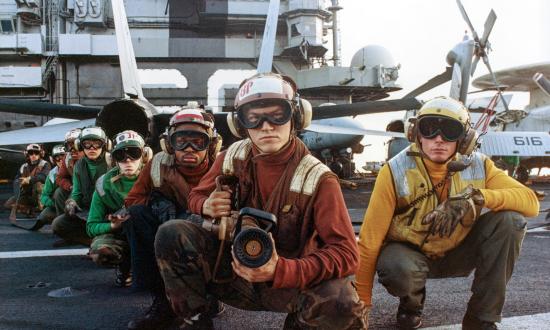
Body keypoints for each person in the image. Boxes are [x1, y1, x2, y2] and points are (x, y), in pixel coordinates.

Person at [154, 73, 368, 329]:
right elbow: (195, 196)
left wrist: (281, 270)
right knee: (172, 233)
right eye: (253, 118)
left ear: (297, 117)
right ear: (239, 124)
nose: (266, 126)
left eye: (278, 115)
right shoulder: (231, 157)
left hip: (289, 282)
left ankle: (302, 322)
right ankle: (196, 318)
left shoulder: (318, 178)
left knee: (342, 302)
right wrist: (205, 205)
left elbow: (347, 254)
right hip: (232, 273)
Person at [355, 96, 540, 330]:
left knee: (511, 221)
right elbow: (370, 241)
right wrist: (361, 308)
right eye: (429, 129)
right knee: (396, 267)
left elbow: (531, 202)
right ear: (416, 134)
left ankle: (481, 319)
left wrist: (478, 196)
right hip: (410, 255)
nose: (439, 139)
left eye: (450, 130)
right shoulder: (394, 170)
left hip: (459, 250)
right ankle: (411, 304)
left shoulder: (480, 166)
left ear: (465, 139)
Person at [124, 102, 221, 330]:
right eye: (181, 141)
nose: (189, 148)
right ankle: (162, 301)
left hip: (206, 240)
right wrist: (158, 204)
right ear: (169, 145)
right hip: (165, 234)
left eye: (198, 142)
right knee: (136, 216)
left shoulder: (221, 168)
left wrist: (185, 203)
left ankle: (210, 295)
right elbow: (131, 201)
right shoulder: (158, 165)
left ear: (211, 145)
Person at [87, 130, 151, 287]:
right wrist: (112, 226)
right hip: (120, 235)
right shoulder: (104, 186)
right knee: (101, 252)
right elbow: (91, 226)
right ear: (112, 159)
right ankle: (125, 267)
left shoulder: (156, 179)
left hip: (149, 233)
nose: (128, 160)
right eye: (120, 155)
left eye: (134, 153)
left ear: (144, 156)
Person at [51, 126, 111, 247]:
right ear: (80, 145)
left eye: (97, 143)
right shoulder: (79, 165)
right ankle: (90, 241)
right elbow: (77, 192)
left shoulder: (112, 162)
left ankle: (101, 241)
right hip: (87, 211)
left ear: (105, 145)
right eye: (87, 144)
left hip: (108, 212)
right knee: (58, 224)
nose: (92, 148)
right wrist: (72, 201)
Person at [4, 144, 51, 216]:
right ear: (27, 154)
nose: (33, 155)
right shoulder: (24, 166)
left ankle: (42, 207)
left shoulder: (45, 164)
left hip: (41, 195)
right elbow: (16, 179)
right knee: (8, 204)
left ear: (40, 154)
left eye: (36, 153)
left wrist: (29, 179)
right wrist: (20, 182)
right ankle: (28, 209)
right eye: (31, 153)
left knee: (38, 184)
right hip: (27, 195)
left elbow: (44, 177)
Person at [30, 145, 66, 231]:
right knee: (43, 216)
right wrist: (55, 204)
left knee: (58, 191)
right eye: (57, 158)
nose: (61, 160)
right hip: (59, 206)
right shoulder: (52, 174)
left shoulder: (76, 169)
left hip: (76, 204)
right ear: (53, 160)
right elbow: (44, 196)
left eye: (63, 157)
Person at [54, 128, 84, 215]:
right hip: (76, 190)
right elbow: (60, 178)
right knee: (58, 193)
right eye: (69, 145)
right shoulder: (67, 159)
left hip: (92, 191)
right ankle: (65, 218)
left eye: (75, 144)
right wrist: (70, 186)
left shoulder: (91, 157)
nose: (72, 149)